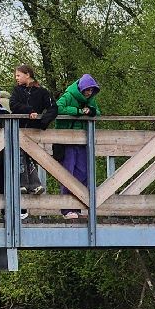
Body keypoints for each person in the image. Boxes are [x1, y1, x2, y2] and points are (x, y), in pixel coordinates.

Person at [55, 74, 101, 220]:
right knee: (68, 173)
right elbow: (58, 108)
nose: (89, 93)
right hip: (66, 141)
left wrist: (91, 111)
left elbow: (98, 112)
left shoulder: (91, 99)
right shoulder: (69, 95)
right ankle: (66, 209)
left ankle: (77, 207)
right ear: (81, 89)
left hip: (82, 142)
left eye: (91, 90)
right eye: (87, 90)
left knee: (83, 173)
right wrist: (79, 112)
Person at [9, 64, 57, 197]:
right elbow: (13, 105)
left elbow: (53, 108)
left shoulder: (42, 91)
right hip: (19, 129)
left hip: (34, 130)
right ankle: (25, 184)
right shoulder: (17, 90)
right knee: (20, 156)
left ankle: (32, 185)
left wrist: (43, 122)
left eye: (18, 75)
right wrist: (29, 110)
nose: (16, 78)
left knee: (31, 156)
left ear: (27, 75)